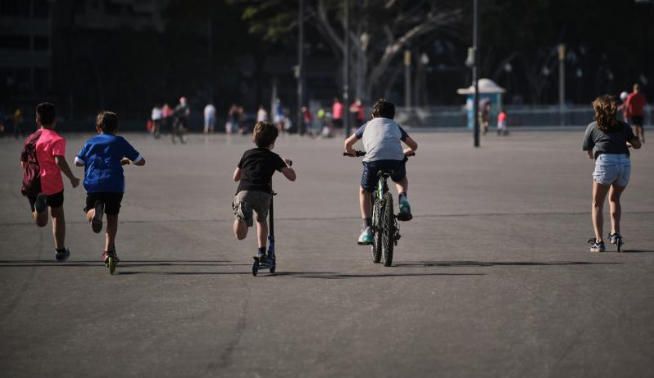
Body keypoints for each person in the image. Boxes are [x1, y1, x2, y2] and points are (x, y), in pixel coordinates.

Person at [344, 99, 418, 245]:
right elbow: (414, 145)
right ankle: (403, 200)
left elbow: (347, 143)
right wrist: (406, 152)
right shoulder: (395, 125)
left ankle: (366, 230)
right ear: (392, 115)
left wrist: (351, 152)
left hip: (373, 161)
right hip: (396, 159)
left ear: (373, 114)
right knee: (400, 179)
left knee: (364, 191)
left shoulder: (367, 125)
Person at [75, 111, 145, 263]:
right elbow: (140, 160)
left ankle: (94, 214)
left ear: (98, 127)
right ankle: (108, 252)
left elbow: (77, 162)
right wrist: (124, 160)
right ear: (116, 128)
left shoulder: (90, 142)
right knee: (112, 217)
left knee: (89, 210)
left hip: (94, 184)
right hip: (114, 185)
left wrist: (92, 161)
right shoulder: (119, 141)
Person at [20, 102, 80, 261]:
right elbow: (59, 160)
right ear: (54, 121)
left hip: (32, 182)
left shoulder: (29, 139)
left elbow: (23, 163)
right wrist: (72, 178)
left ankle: (39, 209)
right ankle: (60, 250)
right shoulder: (56, 139)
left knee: (41, 221)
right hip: (52, 183)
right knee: (57, 214)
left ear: (37, 120)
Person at [582, 95, 641, 253]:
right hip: (624, 163)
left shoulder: (593, 127)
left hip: (606, 162)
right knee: (615, 198)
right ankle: (615, 234)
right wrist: (626, 142)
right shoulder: (624, 126)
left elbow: (589, 152)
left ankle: (599, 242)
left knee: (597, 203)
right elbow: (637, 145)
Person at [232, 121, 296, 260]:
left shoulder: (247, 154)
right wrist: (285, 163)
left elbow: (235, 177)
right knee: (261, 220)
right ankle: (261, 251)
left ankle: (240, 218)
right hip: (263, 193)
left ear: (254, 137)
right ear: (273, 141)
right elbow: (292, 177)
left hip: (245, 191)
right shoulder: (274, 157)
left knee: (240, 236)